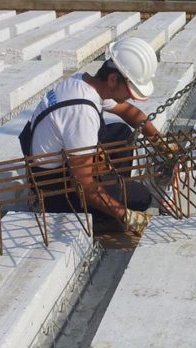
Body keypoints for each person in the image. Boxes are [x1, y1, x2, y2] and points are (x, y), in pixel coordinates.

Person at [19, 37, 166, 235]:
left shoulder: (83, 83)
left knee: (121, 132)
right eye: (131, 91)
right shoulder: (82, 113)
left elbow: (130, 113)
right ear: (113, 79)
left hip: (54, 166)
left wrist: (160, 142)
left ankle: (110, 188)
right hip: (54, 189)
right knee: (140, 198)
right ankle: (103, 214)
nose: (132, 97)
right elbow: (84, 187)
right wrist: (126, 215)